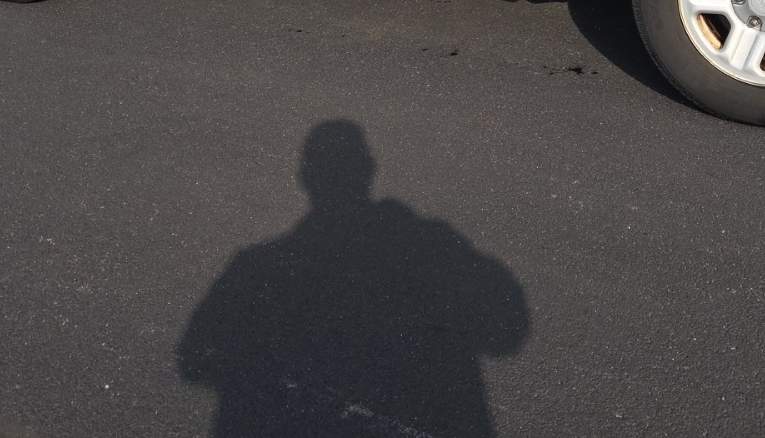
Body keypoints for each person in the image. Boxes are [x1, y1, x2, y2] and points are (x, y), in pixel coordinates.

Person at [178, 121, 530, 437]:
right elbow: (509, 328)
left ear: (305, 177)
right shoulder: (424, 245)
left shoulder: (255, 267)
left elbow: (196, 359)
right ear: (369, 170)